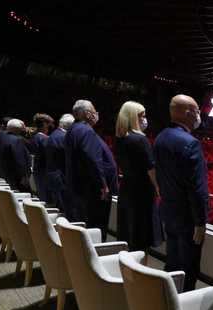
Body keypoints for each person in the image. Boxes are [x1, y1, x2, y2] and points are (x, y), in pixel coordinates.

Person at [153, 94, 207, 292]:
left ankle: (167, 307)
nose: (199, 115)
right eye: (197, 111)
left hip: (168, 211)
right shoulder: (190, 143)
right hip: (187, 219)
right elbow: (197, 189)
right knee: (189, 270)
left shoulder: (161, 137)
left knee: (173, 264)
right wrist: (200, 222)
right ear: (187, 113)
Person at [64, 99, 117, 238]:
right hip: (91, 191)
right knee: (96, 227)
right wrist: (103, 185)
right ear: (88, 114)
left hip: (79, 187)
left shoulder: (73, 129)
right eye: (94, 111)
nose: (96, 114)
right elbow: (93, 160)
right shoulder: (86, 131)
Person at [114, 101, 162, 252]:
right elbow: (150, 169)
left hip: (127, 188)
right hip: (142, 192)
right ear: (133, 117)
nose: (145, 119)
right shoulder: (140, 140)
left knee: (129, 234)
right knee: (141, 239)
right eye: (142, 116)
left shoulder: (120, 139)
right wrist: (158, 188)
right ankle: (140, 272)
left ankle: (127, 271)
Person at [45, 113, 74, 211]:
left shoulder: (53, 134)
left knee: (59, 206)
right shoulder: (63, 137)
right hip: (60, 177)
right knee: (65, 209)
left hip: (53, 175)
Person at [0, 119, 31, 190]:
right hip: (17, 177)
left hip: (7, 174)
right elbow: (19, 160)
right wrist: (24, 176)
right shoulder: (16, 140)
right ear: (18, 129)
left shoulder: (3, 138)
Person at [30, 113, 54, 201]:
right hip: (45, 172)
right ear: (44, 124)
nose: (51, 126)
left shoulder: (35, 137)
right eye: (49, 124)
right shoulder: (43, 139)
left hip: (38, 171)